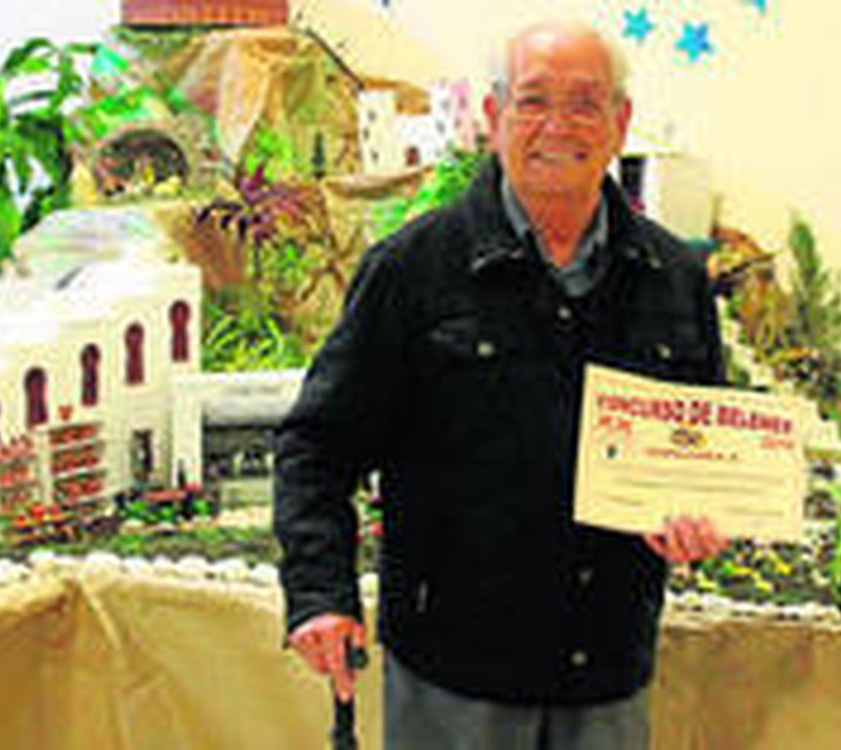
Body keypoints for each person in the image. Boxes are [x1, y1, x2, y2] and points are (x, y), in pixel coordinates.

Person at [275, 20, 728, 749]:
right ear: (493, 119)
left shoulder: (673, 278)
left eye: (585, 104)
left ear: (620, 124)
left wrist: (702, 515)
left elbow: (707, 446)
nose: (558, 126)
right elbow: (316, 447)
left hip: (607, 672)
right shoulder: (413, 270)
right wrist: (319, 595)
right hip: (453, 677)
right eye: (533, 101)